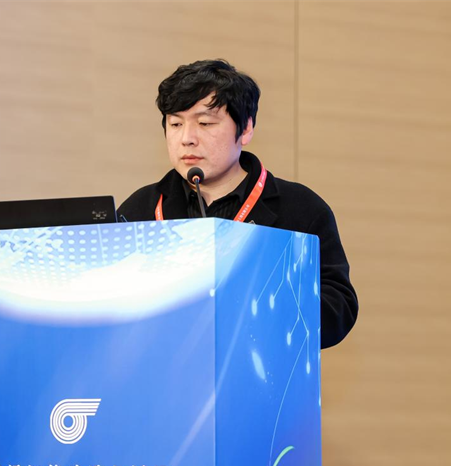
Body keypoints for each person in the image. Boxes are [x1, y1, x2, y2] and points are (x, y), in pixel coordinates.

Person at [118, 59, 357, 348]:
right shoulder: (140, 210)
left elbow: (338, 308)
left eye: (205, 123)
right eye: (176, 124)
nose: (187, 138)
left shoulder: (300, 209)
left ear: (245, 129)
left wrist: (261, 302)